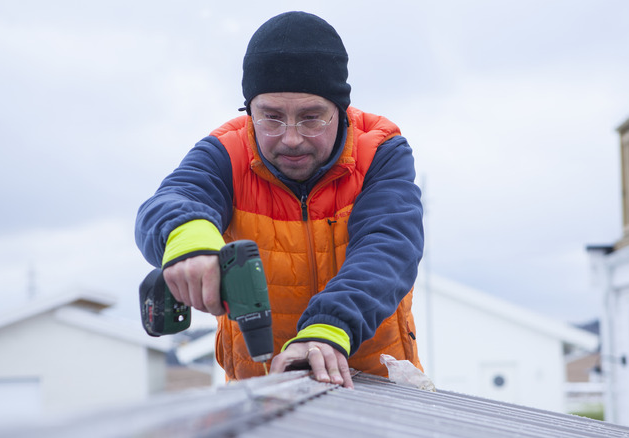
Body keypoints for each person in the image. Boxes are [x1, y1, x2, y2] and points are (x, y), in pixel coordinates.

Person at [135, 11, 423, 389]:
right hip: (260, 396)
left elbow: (388, 247)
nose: (290, 138)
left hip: (376, 387)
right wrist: (187, 240)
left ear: (341, 111)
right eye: (271, 117)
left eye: (311, 118)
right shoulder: (226, 153)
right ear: (248, 110)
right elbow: (175, 197)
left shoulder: (380, 153)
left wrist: (327, 328)